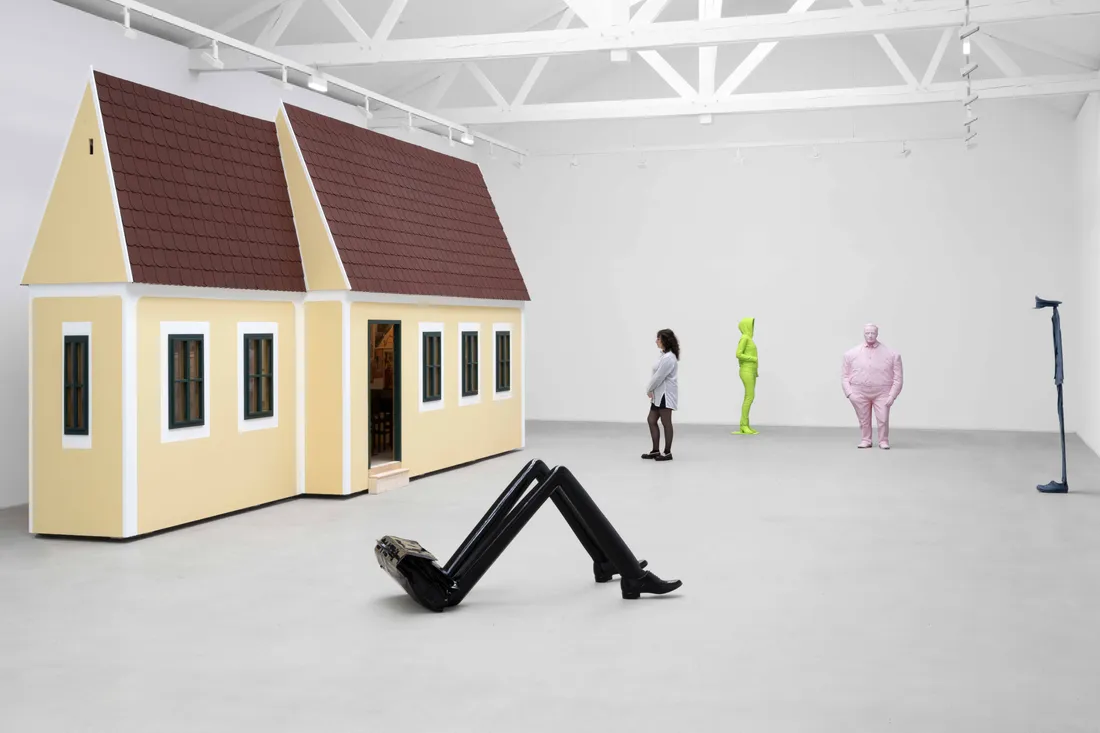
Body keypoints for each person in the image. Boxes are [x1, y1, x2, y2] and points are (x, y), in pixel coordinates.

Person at [841, 323, 903, 449]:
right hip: (859, 391)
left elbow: (898, 378)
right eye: (867, 333)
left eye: (873, 333)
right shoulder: (851, 354)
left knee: (883, 418)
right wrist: (850, 393)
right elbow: (844, 376)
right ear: (863, 334)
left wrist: (892, 395)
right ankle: (866, 439)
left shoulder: (892, 355)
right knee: (863, 418)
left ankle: (883, 440)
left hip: (882, 391)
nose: (870, 335)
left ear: (877, 334)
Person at [643, 329, 679, 462]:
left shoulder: (669, 358)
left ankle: (667, 452)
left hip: (665, 394)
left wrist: (649, 389)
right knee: (651, 420)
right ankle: (655, 450)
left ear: (665, 341)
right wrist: (652, 390)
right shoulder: (663, 356)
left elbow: (659, 376)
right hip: (658, 393)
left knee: (666, 422)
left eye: (658, 338)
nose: (656, 341)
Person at [733, 317, 759, 435]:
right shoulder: (744, 338)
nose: (752, 328)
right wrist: (752, 359)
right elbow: (738, 354)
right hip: (746, 370)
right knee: (750, 397)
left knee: (749, 397)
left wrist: (756, 371)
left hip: (751, 371)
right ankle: (743, 425)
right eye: (751, 325)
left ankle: (745, 425)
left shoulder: (749, 339)